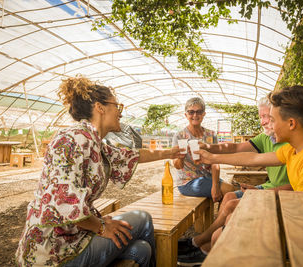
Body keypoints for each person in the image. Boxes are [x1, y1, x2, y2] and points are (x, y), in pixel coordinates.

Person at [15, 75, 184, 267]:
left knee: (141, 250)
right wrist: (101, 226)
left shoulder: (94, 143)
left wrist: (171, 152)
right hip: (53, 251)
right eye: (117, 106)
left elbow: (131, 155)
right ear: (100, 107)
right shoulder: (74, 138)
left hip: (73, 237)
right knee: (143, 219)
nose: (120, 113)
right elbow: (62, 201)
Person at [194, 85, 303, 263]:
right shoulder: (295, 149)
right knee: (228, 222)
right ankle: (202, 246)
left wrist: (256, 204)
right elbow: (254, 159)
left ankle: (202, 247)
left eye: (272, 119)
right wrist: (212, 157)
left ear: (291, 123)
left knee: (221, 235)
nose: (268, 125)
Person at [177, 98, 289, 266]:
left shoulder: (289, 144)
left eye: (268, 117)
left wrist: (211, 156)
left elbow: (255, 159)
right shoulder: (267, 138)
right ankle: (204, 246)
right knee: (229, 195)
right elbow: (236, 148)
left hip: (279, 194)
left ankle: (200, 244)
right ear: (186, 114)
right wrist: (208, 148)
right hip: (268, 187)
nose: (264, 122)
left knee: (228, 206)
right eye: (262, 117)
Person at [172, 97, 234, 202]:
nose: (195, 115)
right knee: (230, 190)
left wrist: (215, 186)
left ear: (204, 114)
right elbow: (177, 166)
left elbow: (215, 162)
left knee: (230, 192)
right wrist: (181, 157)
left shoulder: (211, 134)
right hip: (187, 182)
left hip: (207, 178)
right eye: (191, 112)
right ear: (186, 115)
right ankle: (222, 218)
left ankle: (221, 217)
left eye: (199, 112)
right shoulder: (179, 136)